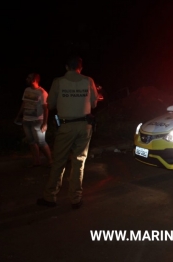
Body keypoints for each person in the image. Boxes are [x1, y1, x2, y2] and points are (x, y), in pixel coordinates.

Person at [37, 56, 99, 209]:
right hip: (84, 126)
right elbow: (94, 103)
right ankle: (76, 198)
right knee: (79, 162)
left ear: (66, 67)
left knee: (59, 162)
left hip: (66, 126)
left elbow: (50, 105)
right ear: (80, 67)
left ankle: (50, 197)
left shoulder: (58, 82)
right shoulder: (88, 81)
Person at [15, 73, 52, 167]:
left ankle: (51, 161)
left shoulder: (42, 92)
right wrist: (19, 115)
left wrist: (45, 123)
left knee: (41, 142)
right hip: (26, 120)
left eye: (29, 77)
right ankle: (36, 161)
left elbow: (45, 108)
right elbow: (24, 103)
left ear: (34, 80)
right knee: (31, 141)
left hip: (37, 120)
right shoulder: (27, 90)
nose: (27, 79)